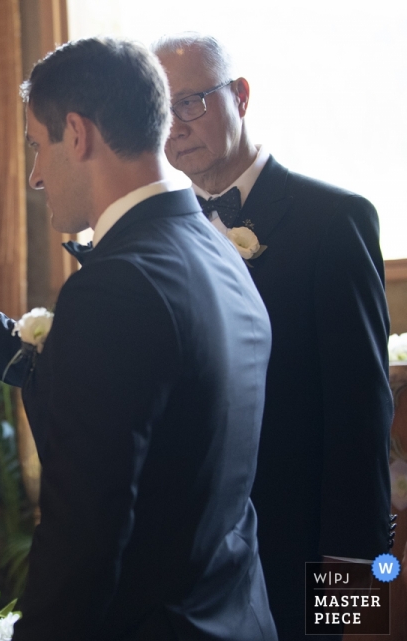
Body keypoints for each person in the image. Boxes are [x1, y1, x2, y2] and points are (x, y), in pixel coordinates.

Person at [0, 37, 276, 640]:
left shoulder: (117, 285)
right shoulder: (218, 250)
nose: (34, 174)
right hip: (234, 615)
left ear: (76, 134)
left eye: (37, 144)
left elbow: (85, 530)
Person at [153, 33, 393, 639]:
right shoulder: (160, 237)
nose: (175, 125)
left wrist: (353, 594)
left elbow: (360, 415)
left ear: (240, 96)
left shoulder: (335, 221)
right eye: (161, 109)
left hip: (301, 546)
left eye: (191, 102)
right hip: (195, 563)